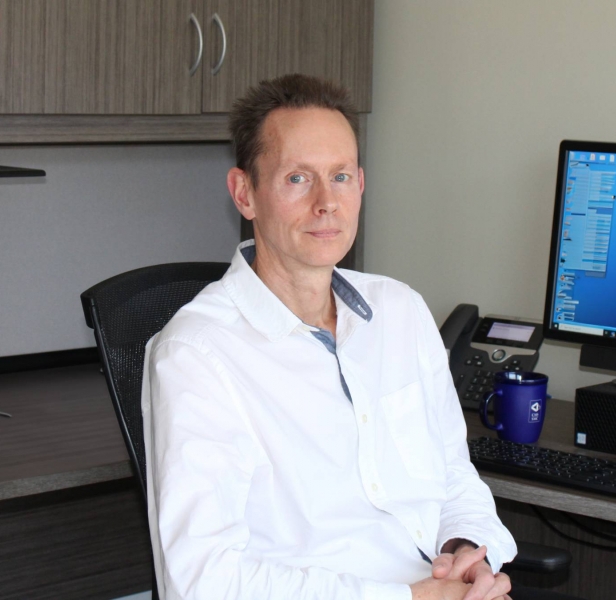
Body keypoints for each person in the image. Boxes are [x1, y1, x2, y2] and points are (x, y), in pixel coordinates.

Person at [141, 73, 517, 600]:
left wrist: (467, 553)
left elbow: (453, 475)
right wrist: (410, 599)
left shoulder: (400, 311)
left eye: (340, 176)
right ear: (244, 193)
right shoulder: (196, 354)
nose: (326, 202)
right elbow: (204, 581)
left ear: (361, 185)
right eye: (298, 178)